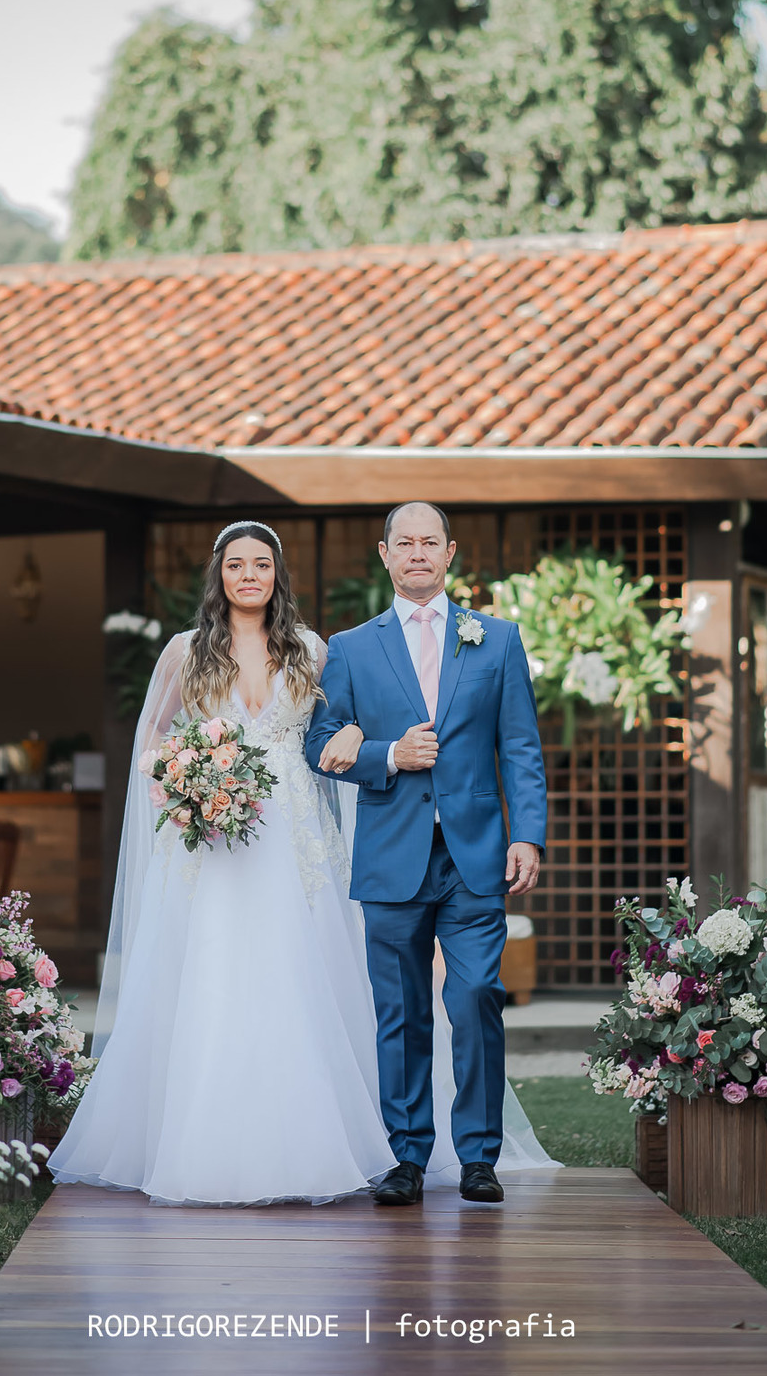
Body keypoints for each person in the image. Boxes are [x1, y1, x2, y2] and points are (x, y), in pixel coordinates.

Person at [48, 518, 553, 1206]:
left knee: (369, 987)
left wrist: (367, 745)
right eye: (236, 564)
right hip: (217, 847)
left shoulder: (313, 650)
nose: (249, 575)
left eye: (261, 563)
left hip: (298, 844)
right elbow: (155, 741)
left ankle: (449, 1154)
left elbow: (333, 733)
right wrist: (187, 776)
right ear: (219, 574)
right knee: (226, 983)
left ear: (277, 574)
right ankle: (236, 1144)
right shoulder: (187, 653)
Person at [306, 502, 547, 1207]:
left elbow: (520, 746)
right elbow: (319, 743)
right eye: (404, 542)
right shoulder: (351, 647)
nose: (417, 552)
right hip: (390, 854)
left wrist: (527, 833)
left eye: (429, 542)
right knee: (401, 1010)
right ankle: (407, 1156)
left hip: (476, 856)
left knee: (474, 999)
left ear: (450, 552)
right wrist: (389, 755)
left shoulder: (497, 639)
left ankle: (478, 1157)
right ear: (384, 554)